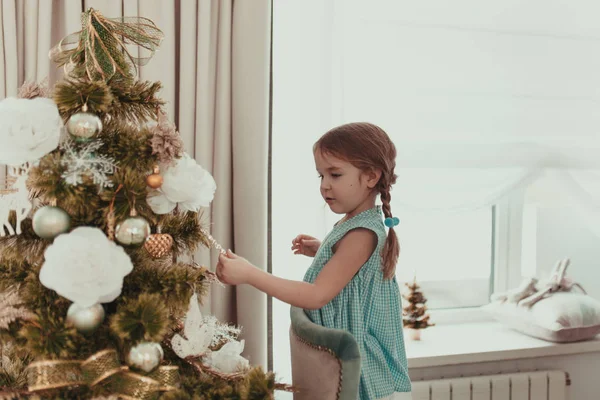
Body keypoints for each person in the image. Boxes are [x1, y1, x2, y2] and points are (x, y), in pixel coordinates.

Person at [216, 122, 412, 399]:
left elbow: (317, 295)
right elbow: (354, 273)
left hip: (360, 375)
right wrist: (324, 251)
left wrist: (250, 274)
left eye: (335, 174)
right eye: (320, 176)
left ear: (371, 176)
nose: (324, 186)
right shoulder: (356, 223)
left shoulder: (361, 234)